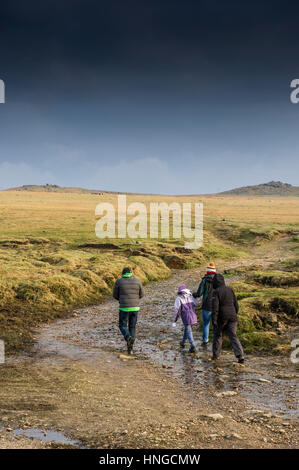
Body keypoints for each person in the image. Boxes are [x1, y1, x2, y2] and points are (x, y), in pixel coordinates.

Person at [211, 273, 244, 363]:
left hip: (221, 317)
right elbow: (236, 305)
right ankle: (240, 355)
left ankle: (216, 355)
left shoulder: (216, 292)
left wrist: (214, 320)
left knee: (217, 336)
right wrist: (234, 314)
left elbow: (215, 308)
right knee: (233, 336)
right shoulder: (230, 289)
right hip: (232, 316)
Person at [113, 267, 144, 354]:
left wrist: (121, 299)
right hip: (135, 308)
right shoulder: (138, 281)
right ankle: (130, 349)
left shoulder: (119, 281)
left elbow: (115, 295)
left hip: (124, 307)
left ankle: (128, 337)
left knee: (122, 326)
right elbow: (142, 294)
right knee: (132, 327)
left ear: (122, 273)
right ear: (130, 273)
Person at [193, 262, 216, 346]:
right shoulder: (219, 279)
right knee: (216, 324)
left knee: (206, 323)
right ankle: (217, 341)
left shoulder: (204, 280)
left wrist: (193, 294)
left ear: (207, 271)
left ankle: (205, 340)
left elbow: (199, 293)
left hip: (207, 305)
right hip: (217, 305)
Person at [173, 284, 199, 353]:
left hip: (186, 317)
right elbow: (196, 304)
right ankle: (183, 342)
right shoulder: (191, 296)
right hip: (193, 315)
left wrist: (174, 321)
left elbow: (176, 310)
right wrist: (196, 297)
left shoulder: (178, 298)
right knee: (187, 329)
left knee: (189, 331)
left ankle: (193, 346)